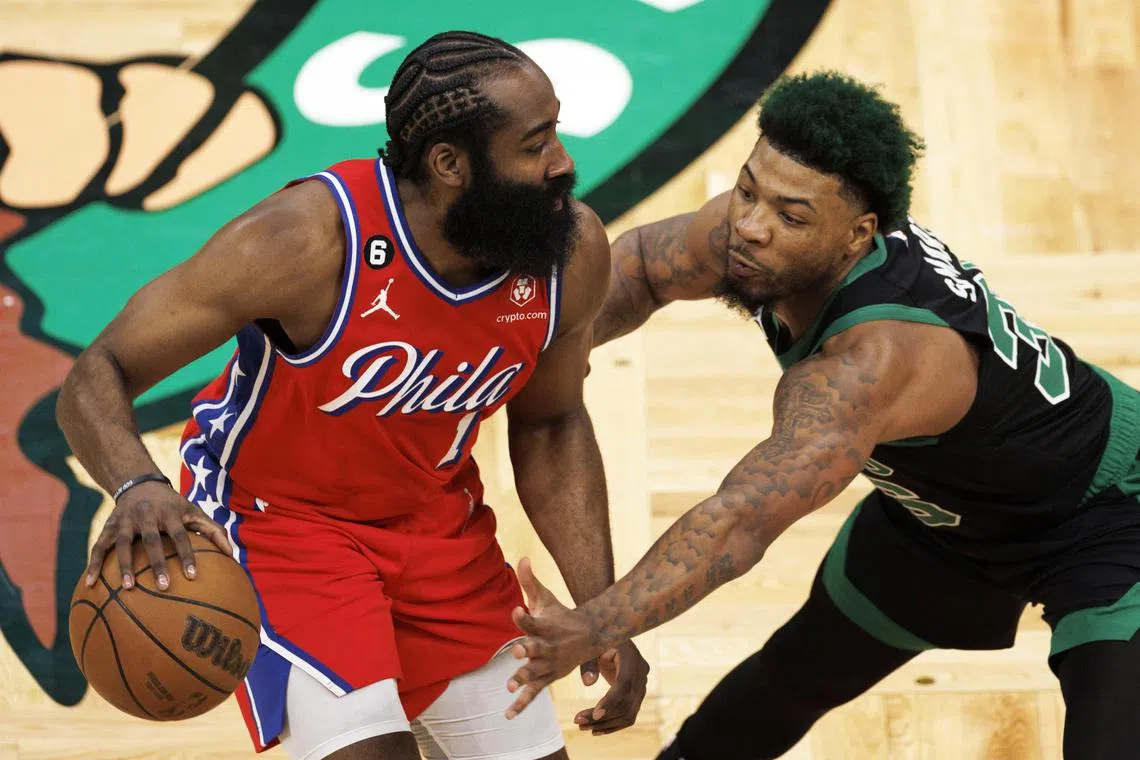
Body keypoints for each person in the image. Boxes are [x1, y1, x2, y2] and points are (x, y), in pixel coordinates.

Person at [500, 71, 1140, 759]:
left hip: (1110, 521)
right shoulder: (746, 235)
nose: (749, 227)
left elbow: (738, 523)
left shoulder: (869, 363)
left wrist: (593, 624)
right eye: (749, 189)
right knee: (797, 673)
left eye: (790, 216)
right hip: (944, 518)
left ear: (857, 234)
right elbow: (637, 272)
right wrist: (509, 359)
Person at [56, 30, 648, 760]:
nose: (563, 163)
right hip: (281, 524)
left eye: (555, 131)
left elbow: (552, 424)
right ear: (449, 164)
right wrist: (137, 484)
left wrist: (604, 611)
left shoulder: (567, 251)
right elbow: (97, 371)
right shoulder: (302, 243)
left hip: (435, 525)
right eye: (535, 144)